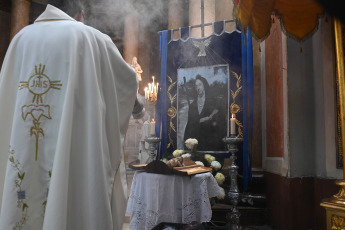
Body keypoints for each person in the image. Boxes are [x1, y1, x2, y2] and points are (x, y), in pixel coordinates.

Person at [0, 1, 141, 230]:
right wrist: (140, 107)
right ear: (81, 13)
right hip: (75, 146)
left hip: (23, 146)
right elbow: (126, 82)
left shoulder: (20, 39)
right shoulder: (91, 39)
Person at [184, 75, 225, 151]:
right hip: (196, 143)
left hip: (210, 141)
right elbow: (189, 125)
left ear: (204, 86)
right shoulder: (193, 105)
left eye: (200, 85)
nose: (198, 88)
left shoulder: (214, 102)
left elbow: (220, 122)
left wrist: (210, 119)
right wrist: (200, 120)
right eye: (196, 86)